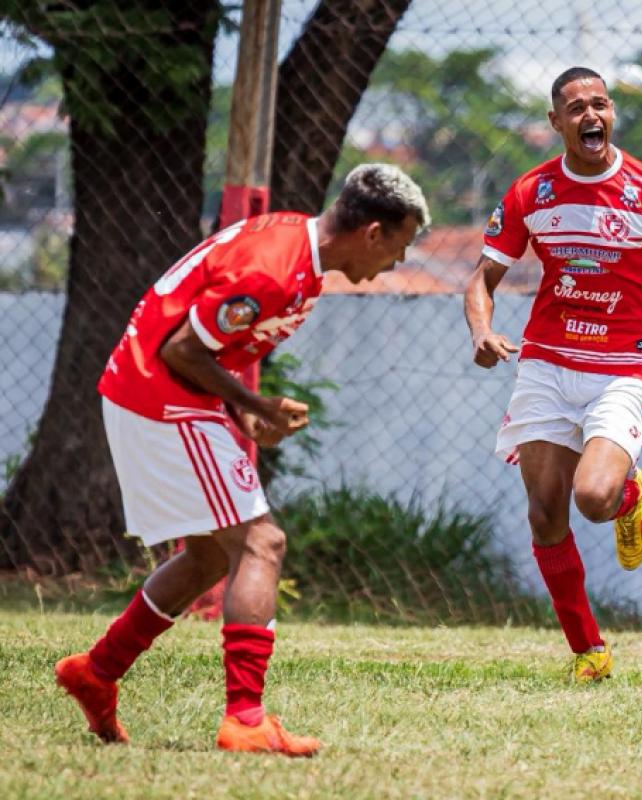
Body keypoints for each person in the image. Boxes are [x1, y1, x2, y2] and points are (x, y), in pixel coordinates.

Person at [55, 164, 430, 756]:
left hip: (159, 391)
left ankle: (96, 673)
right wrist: (251, 400)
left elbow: (203, 345)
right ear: (374, 233)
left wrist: (241, 411)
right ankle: (246, 720)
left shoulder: (297, 253)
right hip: (159, 395)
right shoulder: (276, 270)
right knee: (262, 544)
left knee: (208, 555)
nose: (399, 262)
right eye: (402, 246)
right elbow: (181, 349)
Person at [464, 67, 642, 682]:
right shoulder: (531, 193)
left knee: (593, 497)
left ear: (612, 114)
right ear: (556, 123)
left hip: (623, 369)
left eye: (599, 104)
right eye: (576, 108)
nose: (590, 116)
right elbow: (481, 279)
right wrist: (481, 331)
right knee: (545, 512)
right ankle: (589, 652)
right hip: (547, 363)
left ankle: (629, 493)